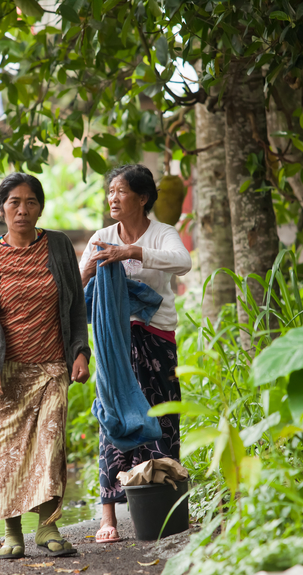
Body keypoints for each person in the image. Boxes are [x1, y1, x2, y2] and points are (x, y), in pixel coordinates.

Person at [0, 172, 91, 559]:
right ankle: (12, 532)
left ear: (40, 207)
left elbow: (74, 307)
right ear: (1, 208)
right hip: (7, 373)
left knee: (49, 447)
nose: (22, 210)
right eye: (14, 202)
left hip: (52, 367)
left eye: (31, 202)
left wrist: (80, 351)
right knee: (4, 453)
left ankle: (47, 527)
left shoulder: (58, 247)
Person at [79, 164, 192, 544]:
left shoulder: (163, 234)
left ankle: (166, 506)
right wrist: (94, 266)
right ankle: (108, 515)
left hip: (157, 337)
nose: (113, 198)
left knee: (162, 419)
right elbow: (77, 285)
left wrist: (132, 252)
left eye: (120, 191)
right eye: (110, 191)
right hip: (115, 342)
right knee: (112, 417)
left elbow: (183, 262)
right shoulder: (100, 237)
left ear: (142, 198)